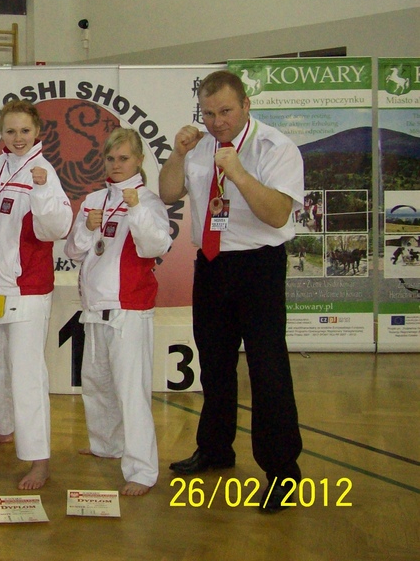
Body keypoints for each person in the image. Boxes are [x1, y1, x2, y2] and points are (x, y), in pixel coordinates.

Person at [158, 70, 304, 513]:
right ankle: (216, 449)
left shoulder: (274, 147)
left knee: (267, 368)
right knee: (214, 364)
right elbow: (167, 193)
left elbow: (277, 214)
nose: (217, 121)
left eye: (225, 111)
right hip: (212, 264)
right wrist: (177, 154)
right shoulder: (200, 145)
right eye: (208, 113)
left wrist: (238, 173)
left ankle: (282, 472)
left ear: (245, 105)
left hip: (259, 265)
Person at [0, 99, 73, 490]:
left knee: (27, 376)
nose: (18, 138)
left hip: (26, 288)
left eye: (25, 130)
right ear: (1, 133)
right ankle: (5, 426)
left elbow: (56, 229)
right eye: (10, 131)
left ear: (37, 131)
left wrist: (40, 192)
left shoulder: (44, 172)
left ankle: (39, 459)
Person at [64, 128, 171, 496]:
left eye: (124, 158)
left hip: (130, 309)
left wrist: (136, 209)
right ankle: (106, 444)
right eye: (110, 158)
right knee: (97, 384)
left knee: (131, 393)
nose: (116, 164)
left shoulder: (149, 202)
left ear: (139, 160)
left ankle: (142, 470)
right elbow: (73, 251)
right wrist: (86, 228)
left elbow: (155, 247)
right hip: (95, 309)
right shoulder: (94, 200)